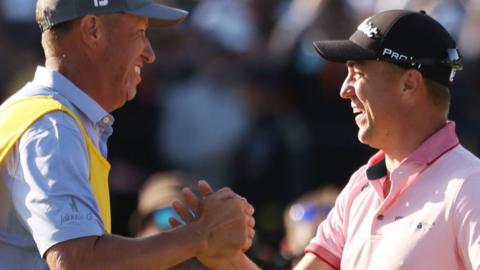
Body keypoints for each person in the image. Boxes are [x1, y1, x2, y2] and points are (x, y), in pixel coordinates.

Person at [174, 8, 480, 270]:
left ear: (409, 84)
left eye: (358, 74)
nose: (344, 89)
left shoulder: (469, 185)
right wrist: (229, 260)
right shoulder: (361, 186)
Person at [0, 0, 255, 269]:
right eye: (140, 32)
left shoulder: (29, 113)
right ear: (92, 30)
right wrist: (201, 235)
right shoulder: (54, 127)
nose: (150, 53)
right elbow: (76, 260)